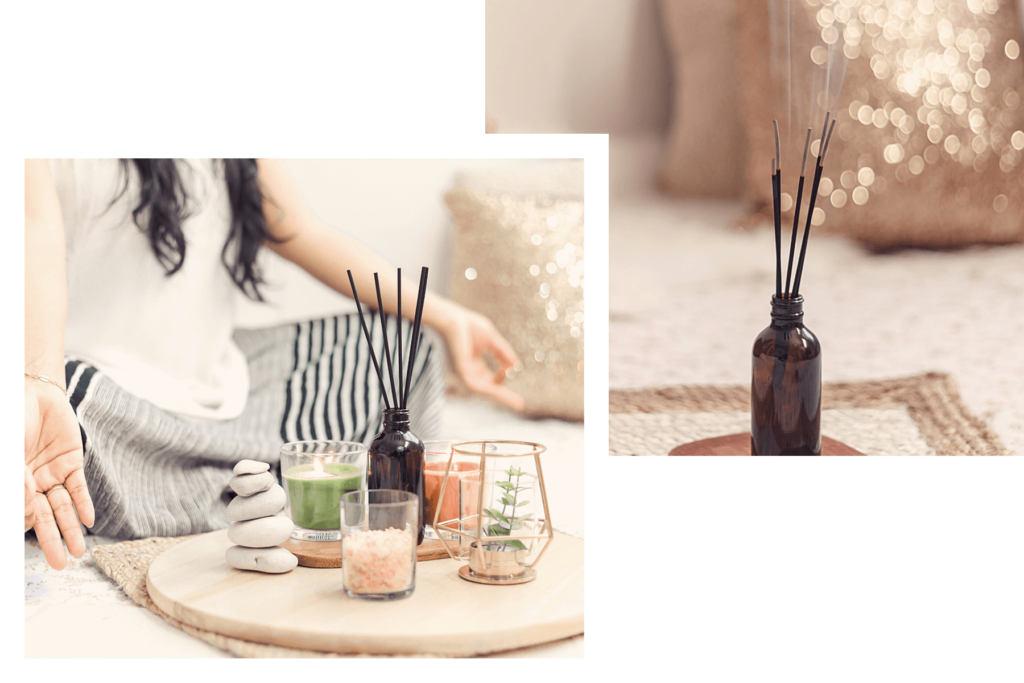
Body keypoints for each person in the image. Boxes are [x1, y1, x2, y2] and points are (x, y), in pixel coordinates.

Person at [24, 158, 523, 571]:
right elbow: (33, 230)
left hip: (228, 384)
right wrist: (39, 380)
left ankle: (214, 486)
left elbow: (299, 229)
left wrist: (446, 316)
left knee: (401, 345)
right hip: (100, 398)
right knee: (60, 409)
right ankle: (244, 484)